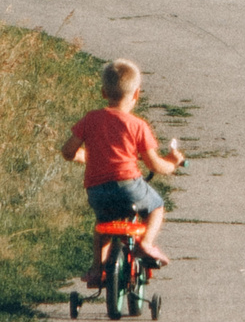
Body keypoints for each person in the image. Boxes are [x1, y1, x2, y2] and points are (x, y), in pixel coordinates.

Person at [61, 58, 184, 275]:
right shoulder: (137, 125)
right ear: (136, 94)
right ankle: (146, 244)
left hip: (97, 191)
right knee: (156, 207)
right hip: (129, 187)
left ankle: (97, 269)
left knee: (103, 223)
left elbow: (67, 151)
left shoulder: (90, 119)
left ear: (103, 92)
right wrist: (172, 163)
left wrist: (85, 155)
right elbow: (154, 164)